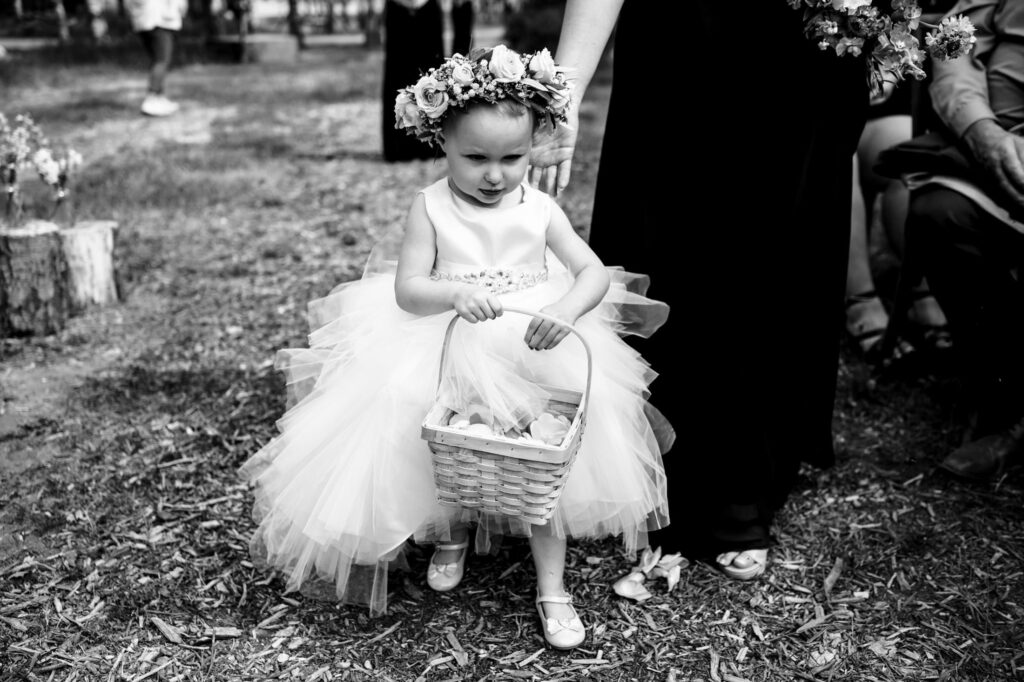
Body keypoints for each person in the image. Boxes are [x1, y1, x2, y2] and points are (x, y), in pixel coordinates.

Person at [240, 46, 670, 650]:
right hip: (447, 337)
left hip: (531, 337)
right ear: (441, 140)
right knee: (448, 442)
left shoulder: (540, 208)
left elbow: (592, 273)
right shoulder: (431, 206)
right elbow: (409, 291)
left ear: (536, 146)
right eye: (476, 158)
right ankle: (452, 531)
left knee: (542, 464)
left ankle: (553, 584)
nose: (495, 175)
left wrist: (566, 309)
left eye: (513, 158)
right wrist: (451, 292)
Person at [529, 1, 870, 581]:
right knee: (669, 237)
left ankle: (746, 481)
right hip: (680, 40)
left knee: (773, 253)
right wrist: (563, 89)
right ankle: (656, 473)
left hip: (797, 42)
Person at [901, 0, 1024, 481]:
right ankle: (1001, 397)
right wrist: (980, 130)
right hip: (996, 154)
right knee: (940, 214)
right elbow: (954, 44)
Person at [380, 0, 445, 161]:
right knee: (397, 72)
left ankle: (432, 142)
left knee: (430, 74)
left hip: (428, 8)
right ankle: (398, 145)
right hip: (397, 8)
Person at [126, 0, 187, 117]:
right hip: (158, 20)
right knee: (162, 60)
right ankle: (152, 97)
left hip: (143, 21)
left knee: (156, 60)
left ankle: (159, 97)